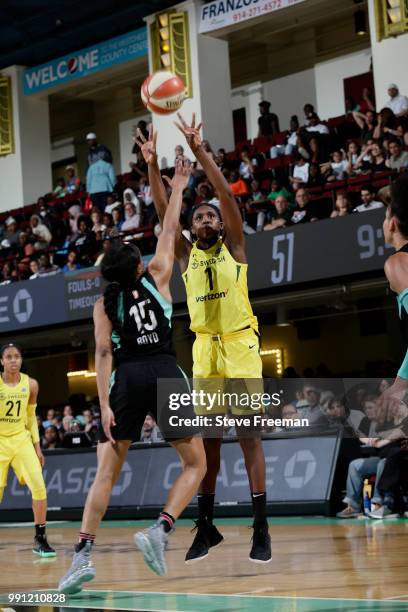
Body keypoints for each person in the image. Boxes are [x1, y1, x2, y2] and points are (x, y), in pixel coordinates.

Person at [58, 158, 206, 594]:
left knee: (105, 473)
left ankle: (81, 557)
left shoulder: (104, 304)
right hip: (164, 371)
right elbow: (168, 227)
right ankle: (159, 530)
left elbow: (103, 352)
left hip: (125, 380)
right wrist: (177, 185)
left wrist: (103, 404)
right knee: (195, 463)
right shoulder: (158, 274)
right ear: (138, 267)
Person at [137, 117, 272, 565]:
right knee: (209, 441)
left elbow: (224, 192)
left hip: (240, 345)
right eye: (200, 216)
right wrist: (153, 166)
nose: (207, 218)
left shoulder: (235, 247)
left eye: (211, 213)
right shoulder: (184, 254)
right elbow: (163, 212)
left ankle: (260, 526)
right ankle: (207, 526)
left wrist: (199, 152)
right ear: (193, 227)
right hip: (205, 349)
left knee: (248, 436)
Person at [0, 343, 55, 556]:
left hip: (21, 440)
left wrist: (37, 448)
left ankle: (40, 539)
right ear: (2, 361)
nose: (13, 360)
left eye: (17, 356)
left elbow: (31, 419)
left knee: (39, 487)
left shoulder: (31, 385)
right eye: (9, 357)